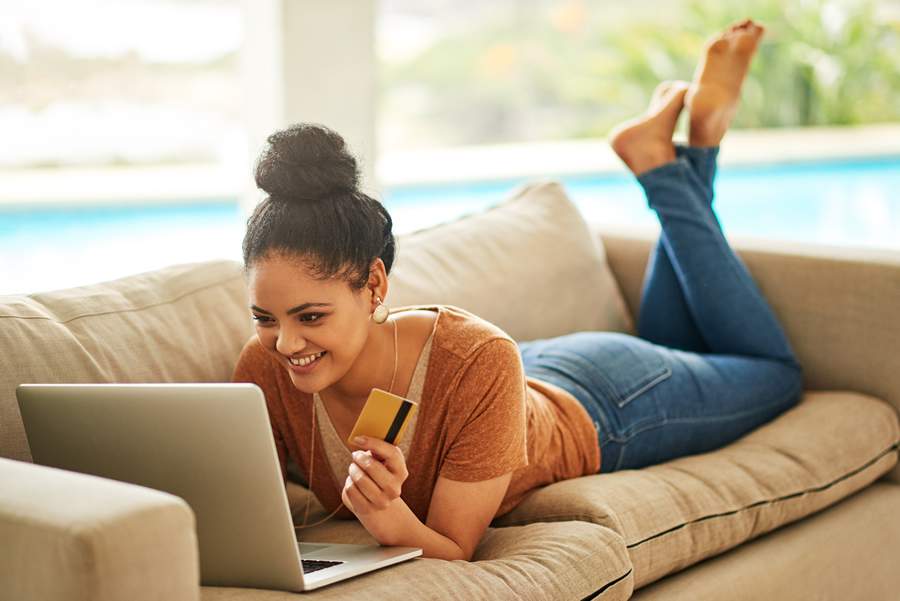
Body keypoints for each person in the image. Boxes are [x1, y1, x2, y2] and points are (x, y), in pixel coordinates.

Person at [231, 18, 803, 562]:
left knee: (775, 373)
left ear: (374, 285)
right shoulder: (264, 372)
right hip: (514, 380)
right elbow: (239, 509)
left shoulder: (474, 358)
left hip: (603, 400)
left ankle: (671, 164)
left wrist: (387, 517)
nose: (284, 343)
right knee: (674, 339)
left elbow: (454, 547)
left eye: (309, 316)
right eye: (265, 317)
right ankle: (686, 149)